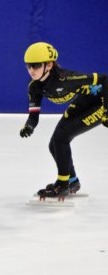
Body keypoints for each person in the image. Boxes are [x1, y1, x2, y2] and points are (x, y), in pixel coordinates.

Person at [19, 42, 107, 198]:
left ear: (49, 64)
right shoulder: (34, 87)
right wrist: (29, 126)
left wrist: (106, 110)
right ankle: (72, 181)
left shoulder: (66, 79)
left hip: (100, 102)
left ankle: (63, 184)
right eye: (28, 66)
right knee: (53, 144)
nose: (31, 70)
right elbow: (34, 116)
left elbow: (105, 80)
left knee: (61, 138)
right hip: (84, 101)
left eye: (36, 65)